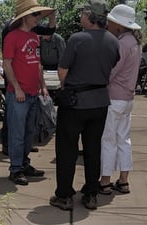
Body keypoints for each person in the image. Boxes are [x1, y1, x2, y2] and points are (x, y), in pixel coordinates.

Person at [50, 0, 119, 211]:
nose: (80, 16)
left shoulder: (77, 39)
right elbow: (113, 64)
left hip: (75, 102)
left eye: (83, 13)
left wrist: (66, 85)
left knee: (67, 149)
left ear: (89, 16)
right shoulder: (113, 41)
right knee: (93, 148)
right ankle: (91, 193)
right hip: (99, 101)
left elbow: (62, 69)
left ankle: (64, 195)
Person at [2, 0, 54, 186]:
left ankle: (23, 163)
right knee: (17, 132)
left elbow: (37, 63)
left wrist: (43, 85)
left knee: (29, 132)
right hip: (19, 94)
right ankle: (15, 168)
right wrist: (16, 87)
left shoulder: (34, 37)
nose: (38, 18)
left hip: (32, 92)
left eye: (38, 14)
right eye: (35, 14)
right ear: (25, 17)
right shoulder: (12, 36)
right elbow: (7, 63)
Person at [98, 4, 141, 195]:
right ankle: (123, 180)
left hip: (114, 97)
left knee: (108, 139)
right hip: (127, 97)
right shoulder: (134, 42)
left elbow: (113, 71)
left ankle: (105, 181)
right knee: (124, 139)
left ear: (118, 25)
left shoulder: (122, 43)